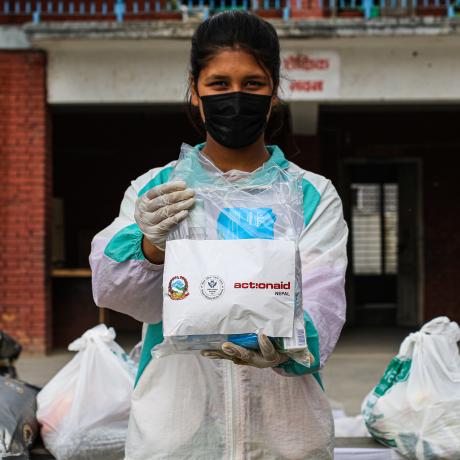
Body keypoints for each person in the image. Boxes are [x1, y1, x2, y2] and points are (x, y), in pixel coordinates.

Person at [90, 10, 348, 460]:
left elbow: (323, 310)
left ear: (273, 95)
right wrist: (149, 246)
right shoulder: (159, 188)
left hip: (286, 437)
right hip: (177, 431)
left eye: (252, 84)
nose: (235, 97)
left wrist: (286, 345)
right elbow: (116, 292)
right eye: (218, 84)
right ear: (195, 91)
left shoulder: (311, 194)